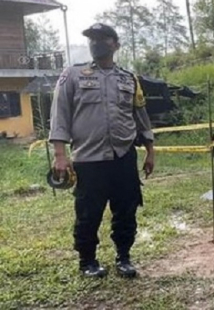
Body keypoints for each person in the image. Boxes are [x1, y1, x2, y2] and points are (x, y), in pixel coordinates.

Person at [50, 23, 155, 279]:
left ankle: (124, 257)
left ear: (115, 45)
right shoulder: (73, 75)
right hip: (89, 159)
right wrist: (60, 155)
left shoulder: (129, 78)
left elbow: (140, 114)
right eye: (92, 39)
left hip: (123, 156)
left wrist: (150, 150)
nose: (96, 43)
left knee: (126, 209)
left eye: (102, 39)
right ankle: (87, 261)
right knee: (88, 212)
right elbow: (60, 115)